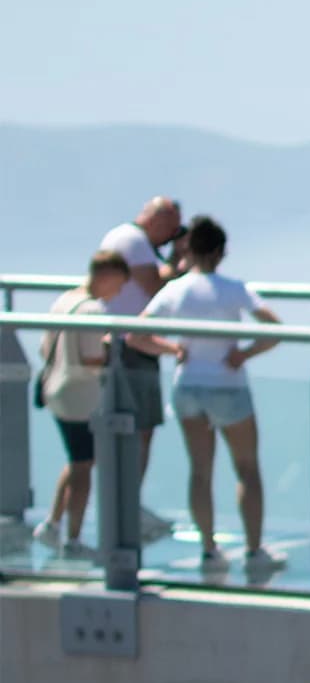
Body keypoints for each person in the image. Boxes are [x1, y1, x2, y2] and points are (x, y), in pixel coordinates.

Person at [139, 217, 286, 570]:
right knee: (247, 469)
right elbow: (275, 328)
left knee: (200, 470)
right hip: (228, 385)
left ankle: (209, 549)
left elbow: (136, 334)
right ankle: (254, 550)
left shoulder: (175, 289)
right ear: (221, 252)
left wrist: (172, 350)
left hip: (188, 385)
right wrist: (246, 353)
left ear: (189, 249)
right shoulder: (235, 288)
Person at [34, 250, 130, 554]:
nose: (118, 292)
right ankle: (73, 538)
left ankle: (53, 523)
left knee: (76, 459)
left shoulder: (63, 301)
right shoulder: (91, 311)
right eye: (118, 284)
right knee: (83, 467)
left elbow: (43, 347)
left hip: (55, 389)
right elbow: (92, 360)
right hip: (80, 396)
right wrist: (109, 351)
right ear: (108, 275)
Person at [96, 196, 182, 525]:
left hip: (121, 342)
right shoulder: (134, 241)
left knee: (126, 429)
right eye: (171, 228)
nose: (172, 235)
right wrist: (180, 265)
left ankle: (122, 503)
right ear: (156, 220)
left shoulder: (122, 237)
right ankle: (127, 505)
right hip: (133, 345)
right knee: (140, 428)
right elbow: (156, 287)